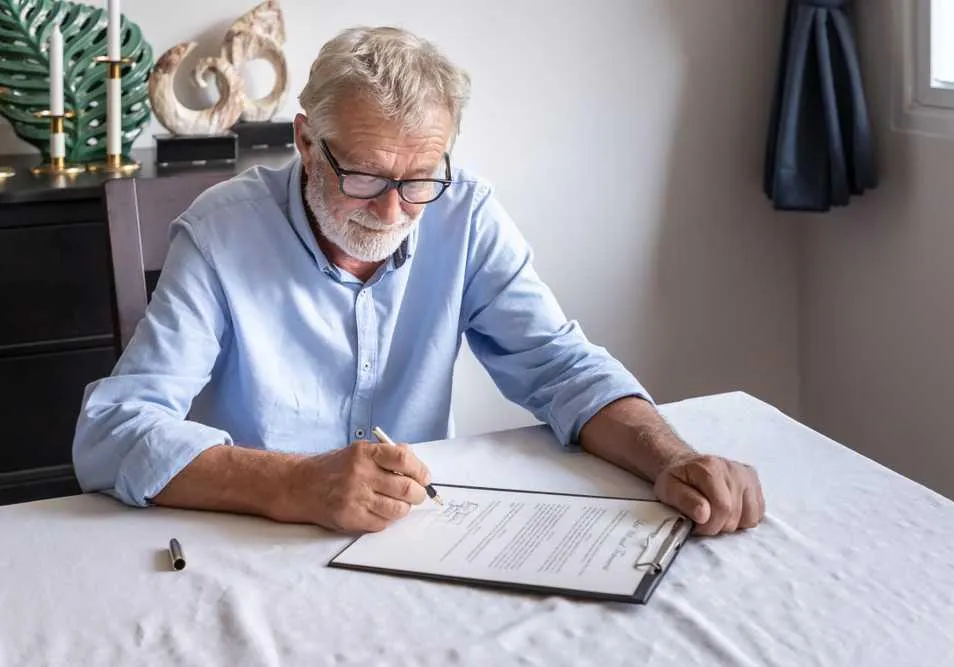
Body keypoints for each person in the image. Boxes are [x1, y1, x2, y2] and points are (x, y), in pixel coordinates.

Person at [73, 26, 764, 537]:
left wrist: (672, 459)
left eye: (420, 179)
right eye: (367, 176)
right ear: (307, 143)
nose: (393, 210)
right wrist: (291, 482)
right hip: (248, 537)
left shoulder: (464, 212)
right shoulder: (221, 232)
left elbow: (563, 369)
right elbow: (111, 431)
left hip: (414, 540)